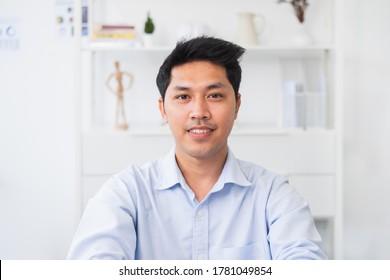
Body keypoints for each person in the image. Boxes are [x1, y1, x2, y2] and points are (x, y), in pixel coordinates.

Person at [67, 36, 327, 260]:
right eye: (183, 97)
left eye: (214, 95)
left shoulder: (274, 195)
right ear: (163, 109)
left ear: (237, 105)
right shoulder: (127, 193)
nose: (199, 112)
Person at [106, 60, 133, 130]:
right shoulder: (115, 73)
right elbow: (107, 82)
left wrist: (129, 86)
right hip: (118, 90)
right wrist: (113, 91)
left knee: (121, 107)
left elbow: (131, 76)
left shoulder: (120, 73)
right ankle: (116, 122)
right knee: (118, 107)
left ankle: (123, 122)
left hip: (121, 90)